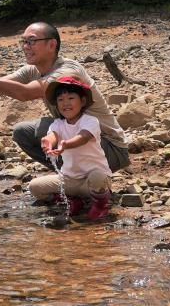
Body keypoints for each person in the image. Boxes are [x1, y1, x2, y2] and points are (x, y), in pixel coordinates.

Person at [0, 21, 130, 174]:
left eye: (32, 41)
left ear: (52, 45)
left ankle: (86, 178)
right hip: (79, 139)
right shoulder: (32, 69)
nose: (26, 46)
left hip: (110, 148)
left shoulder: (67, 70)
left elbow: (24, 94)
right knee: (23, 131)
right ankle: (69, 176)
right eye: (24, 41)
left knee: (46, 130)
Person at [30, 74, 113, 221]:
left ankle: (100, 205)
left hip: (91, 181)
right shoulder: (58, 124)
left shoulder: (90, 121)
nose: (65, 103)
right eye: (60, 100)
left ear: (82, 101)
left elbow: (83, 137)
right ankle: (72, 201)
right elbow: (53, 135)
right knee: (35, 186)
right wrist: (47, 142)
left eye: (70, 98)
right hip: (69, 180)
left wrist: (65, 144)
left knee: (98, 177)